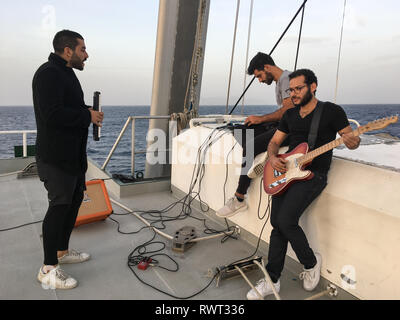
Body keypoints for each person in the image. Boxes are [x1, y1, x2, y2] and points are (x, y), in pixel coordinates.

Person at [246, 69, 360, 300]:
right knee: (277, 223)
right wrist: (273, 157)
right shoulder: (290, 115)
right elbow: (274, 142)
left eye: (298, 89)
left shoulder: (331, 111)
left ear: (313, 86)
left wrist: (353, 140)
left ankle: (310, 263)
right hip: (288, 171)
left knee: (286, 221)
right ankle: (272, 280)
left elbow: (352, 142)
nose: (294, 94)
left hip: (314, 174)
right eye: (291, 90)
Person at [33, 30, 104, 289]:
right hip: (56, 157)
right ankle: (48, 268)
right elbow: (52, 114)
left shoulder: (65, 72)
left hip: (73, 155)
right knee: (59, 206)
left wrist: (87, 111)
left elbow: (69, 107)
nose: (86, 54)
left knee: (74, 202)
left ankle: (61, 251)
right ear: (67, 51)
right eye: (82, 49)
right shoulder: (48, 74)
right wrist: (87, 117)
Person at [217, 52, 294, 218]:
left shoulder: (287, 79)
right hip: (283, 125)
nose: (259, 80)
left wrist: (262, 118)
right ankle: (258, 156)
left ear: (267, 67)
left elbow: (289, 111)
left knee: (249, 146)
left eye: (259, 75)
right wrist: (261, 121)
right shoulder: (280, 81)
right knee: (241, 130)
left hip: (292, 129)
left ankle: (239, 198)